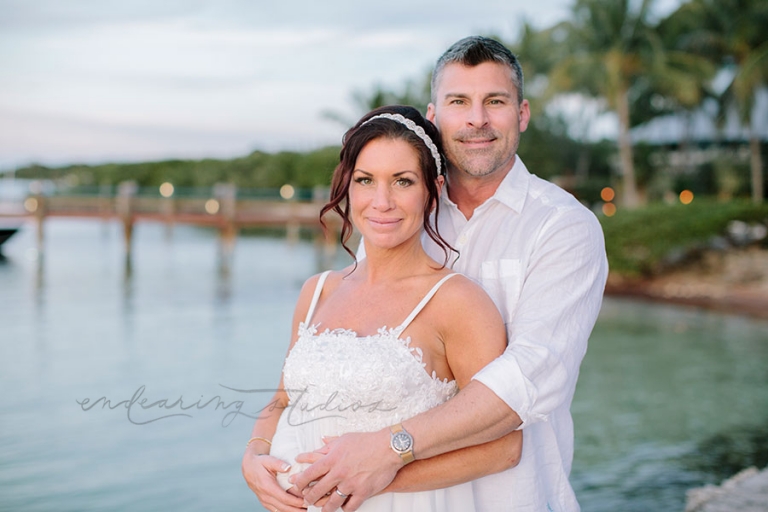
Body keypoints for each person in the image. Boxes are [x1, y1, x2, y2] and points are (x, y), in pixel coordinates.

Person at [293, 36, 609, 512]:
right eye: (459, 101)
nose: (476, 119)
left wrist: (384, 450)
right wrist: (273, 457)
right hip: (387, 496)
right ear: (434, 116)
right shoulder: (398, 212)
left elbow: (528, 380)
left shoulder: (563, 228)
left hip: (509, 496)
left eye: (495, 102)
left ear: (521, 114)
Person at [241, 105, 523, 512]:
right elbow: (282, 401)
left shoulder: (458, 302)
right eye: (365, 180)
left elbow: (505, 447)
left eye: (402, 181)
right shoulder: (317, 290)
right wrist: (253, 457)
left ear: (434, 189)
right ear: (348, 187)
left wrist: (378, 475)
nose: (381, 201)